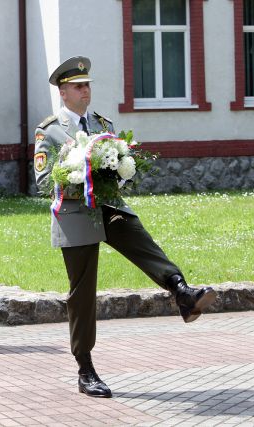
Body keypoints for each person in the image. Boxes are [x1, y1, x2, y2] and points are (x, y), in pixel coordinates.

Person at [33, 56, 217, 398]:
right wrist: (79, 175)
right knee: (82, 292)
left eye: (87, 85)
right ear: (63, 92)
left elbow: (116, 164)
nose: (85, 91)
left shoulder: (103, 124)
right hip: (74, 214)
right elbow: (44, 182)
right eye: (78, 86)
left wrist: (118, 170)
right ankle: (85, 368)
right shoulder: (50, 130)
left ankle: (182, 291)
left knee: (140, 239)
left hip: (109, 206)